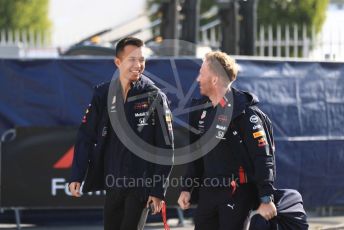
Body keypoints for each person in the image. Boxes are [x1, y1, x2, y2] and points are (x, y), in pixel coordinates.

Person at [69, 37, 174, 230]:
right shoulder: (103, 93)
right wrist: (77, 175)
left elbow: (165, 148)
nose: (138, 65)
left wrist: (158, 190)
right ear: (118, 62)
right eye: (132, 59)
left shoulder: (155, 96)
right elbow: (86, 136)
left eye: (142, 59)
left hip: (141, 185)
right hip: (113, 183)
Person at [177, 51, 277, 229]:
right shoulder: (201, 112)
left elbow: (263, 157)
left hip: (237, 193)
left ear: (215, 79)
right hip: (208, 192)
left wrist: (266, 197)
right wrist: (186, 188)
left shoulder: (245, 113)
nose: (198, 79)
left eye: (202, 73)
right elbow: (196, 154)